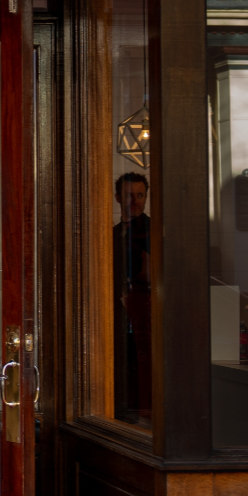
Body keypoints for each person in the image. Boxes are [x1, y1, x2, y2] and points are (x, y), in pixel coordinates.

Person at [112, 172, 151, 419]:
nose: (135, 201)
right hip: (117, 311)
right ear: (118, 198)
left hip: (146, 311)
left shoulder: (153, 232)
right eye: (129, 195)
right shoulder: (112, 234)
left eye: (140, 195)